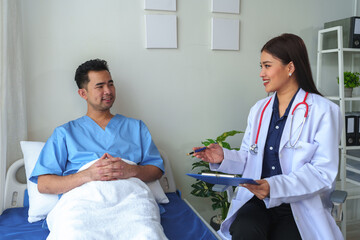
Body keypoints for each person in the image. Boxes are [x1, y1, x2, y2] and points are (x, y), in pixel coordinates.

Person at [193, 33, 343, 240]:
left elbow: (322, 173)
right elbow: (249, 156)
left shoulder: (324, 111)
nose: (262, 73)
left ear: (290, 68)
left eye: (267, 66)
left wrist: (274, 187)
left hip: (298, 205)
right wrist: (223, 157)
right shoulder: (259, 109)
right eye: (261, 66)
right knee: (245, 231)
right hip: (258, 201)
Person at [30, 58, 164, 195]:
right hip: (84, 201)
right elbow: (44, 185)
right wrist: (87, 175)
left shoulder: (136, 128)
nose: (108, 91)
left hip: (130, 196)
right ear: (83, 93)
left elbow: (156, 170)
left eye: (110, 84)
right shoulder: (64, 133)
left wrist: (132, 170)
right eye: (100, 86)